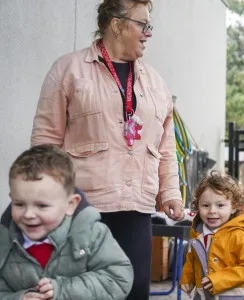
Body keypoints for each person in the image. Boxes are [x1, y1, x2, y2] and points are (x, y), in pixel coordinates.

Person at [30, 0, 184, 298]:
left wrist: (170, 194)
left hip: (136, 208)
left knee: (135, 289)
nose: (148, 33)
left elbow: (166, 147)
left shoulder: (155, 82)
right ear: (116, 23)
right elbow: (44, 144)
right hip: (82, 208)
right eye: (143, 25)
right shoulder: (68, 70)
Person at [0, 144, 133, 300]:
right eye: (19, 204)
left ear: (70, 204)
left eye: (42, 205)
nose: (28, 214)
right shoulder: (4, 240)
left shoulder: (91, 233)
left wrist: (62, 290)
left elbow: (118, 279)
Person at [180, 170, 244, 299]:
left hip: (234, 295)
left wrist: (218, 279)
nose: (212, 211)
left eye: (220, 205)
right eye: (205, 205)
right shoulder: (197, 233)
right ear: (198, 206)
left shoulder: (241, 235)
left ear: (233, 207)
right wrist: (188, 278)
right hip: (203, 294)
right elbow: (192, 258)